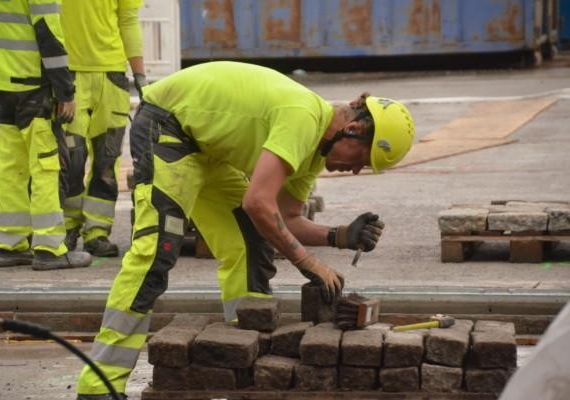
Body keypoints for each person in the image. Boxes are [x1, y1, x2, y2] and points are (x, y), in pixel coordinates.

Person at [75, 61, 414, 399]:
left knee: (248, 242)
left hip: (207, 148)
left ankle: (240, 350)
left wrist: (339, 235)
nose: (356, 170)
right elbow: (257, 203)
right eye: (363, 160)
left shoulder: (313, 153)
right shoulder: (304, 118)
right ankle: (99, 385)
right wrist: (309, 263)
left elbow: (286, 217)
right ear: (353, 129)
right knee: (154, 255)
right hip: (168, 127)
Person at [0, 0, 92, 270]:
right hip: (33, 84)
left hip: (3, 82)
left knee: (11, 166)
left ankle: (9, 244)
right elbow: (49, 34)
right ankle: (49, 248)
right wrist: (66, 91)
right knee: (45, 165)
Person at [60, 0, 147, 257]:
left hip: (111, 78)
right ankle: (67, 227)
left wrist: (140, 76)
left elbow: (128, 21)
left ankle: (97, 233)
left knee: (106, 163)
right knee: (71, 160)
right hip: (69, 78)